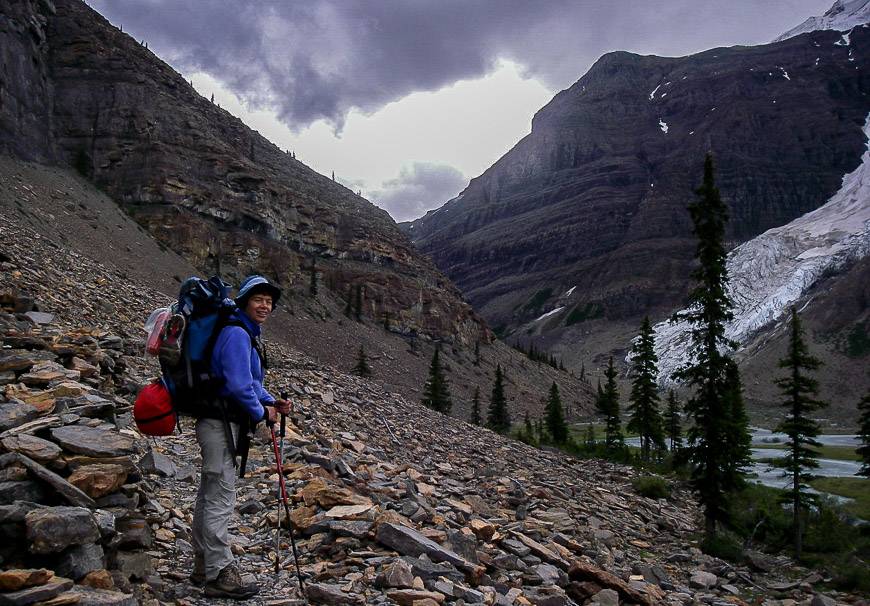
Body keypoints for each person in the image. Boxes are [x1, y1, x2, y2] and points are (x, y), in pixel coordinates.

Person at [190, 275, 291, 599]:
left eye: (269, 302)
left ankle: (203, 566)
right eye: (259, 299)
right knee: (220, 495)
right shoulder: (236, 334)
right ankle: (219, 574)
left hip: (219, 422)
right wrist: (262, 413)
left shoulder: (241, 332)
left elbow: (248, 382)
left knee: (209, 494)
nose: (265, 306)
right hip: (220, 423)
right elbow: (237, 385)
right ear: (246, 300)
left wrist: (270, 400)